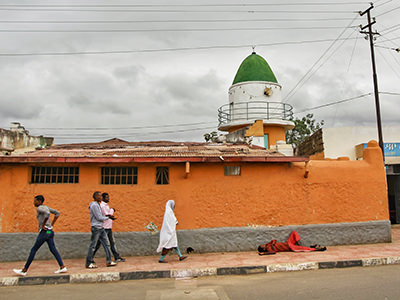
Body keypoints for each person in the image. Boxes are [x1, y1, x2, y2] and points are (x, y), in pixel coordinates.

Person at [13, 195, 67, 276]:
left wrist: (43, 224)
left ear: (39, 201)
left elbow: (47, 214)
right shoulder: (46, 207)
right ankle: (62, 267)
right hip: (50, 232)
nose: (34, 202)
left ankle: (24, 270)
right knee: (53, 249)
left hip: (44, 233)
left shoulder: (40, 208)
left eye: (35, 201)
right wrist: (51, 224)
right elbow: (57, 213)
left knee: (33, 249)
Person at [86, 191, 117, 268]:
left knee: (107, 244)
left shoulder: (97, 205)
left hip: (101, 227)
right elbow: (99, 217)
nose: (101, 198)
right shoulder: (94, 205)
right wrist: (108, 217)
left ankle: (109, 261)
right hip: (96, 228)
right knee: (93, 245)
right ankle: (88, 262)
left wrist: (108, 217)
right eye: (99, 196)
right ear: (95, 197)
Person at [92, 193, 125, 262]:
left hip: (108, 227)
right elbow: (108, 215)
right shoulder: (102, 206)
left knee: (111, 243)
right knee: (100, 244)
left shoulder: (106, 205)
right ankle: (91, 257)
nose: (108, 199)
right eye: (106, 197)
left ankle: (116, 257)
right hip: (104, 227)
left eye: (108, 197)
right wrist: (112, 210)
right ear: (103, 198)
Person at [258, 231, 327, 255]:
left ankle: (299, 243)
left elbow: (274, 240)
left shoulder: (268, 244)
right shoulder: (269, 249)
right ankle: (316, 249)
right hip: (290, 247)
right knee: (304, 249)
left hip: (288, 243)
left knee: (294, 232)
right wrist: (264, 253)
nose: (263, 244)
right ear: (263, 248)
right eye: (262, 245)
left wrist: (272, 244)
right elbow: (273, 252)